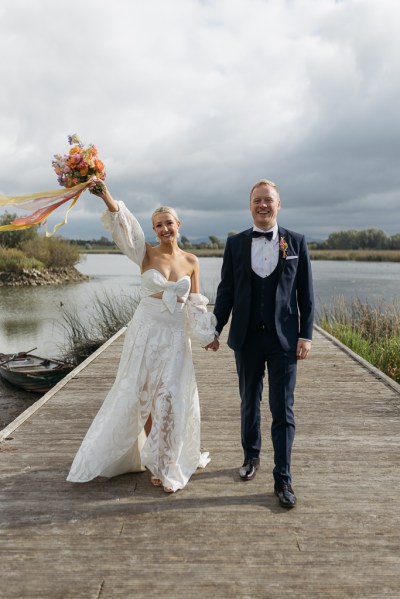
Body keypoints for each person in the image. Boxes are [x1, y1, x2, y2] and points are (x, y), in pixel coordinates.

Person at [67, 179, 216, 493]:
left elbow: (196, 303)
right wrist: (105, 194)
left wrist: (207, 335)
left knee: (172, 398)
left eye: (168, 223)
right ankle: (154, 459)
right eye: (158, 225)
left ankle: (167, 460)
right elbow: (125, 227)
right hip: (146, 332)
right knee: (143, 396)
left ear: (179, 225)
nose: (163, 229)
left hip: (176, 336)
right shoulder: (145, 254)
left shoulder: (192, 261)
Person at [205, 179, 314, 508]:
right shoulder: (235, 243)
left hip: (284, 340)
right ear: (249, 205)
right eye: (257, 200)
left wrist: (306, 334)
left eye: (268, 200)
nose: (263, 205)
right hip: (247, 337)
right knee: (249, 402)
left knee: (282, 408)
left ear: (278, 205)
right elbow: (226, 292)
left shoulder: (296, 242)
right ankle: (251, 458)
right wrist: (215, 329)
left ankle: (283, 478)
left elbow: (306, 295)